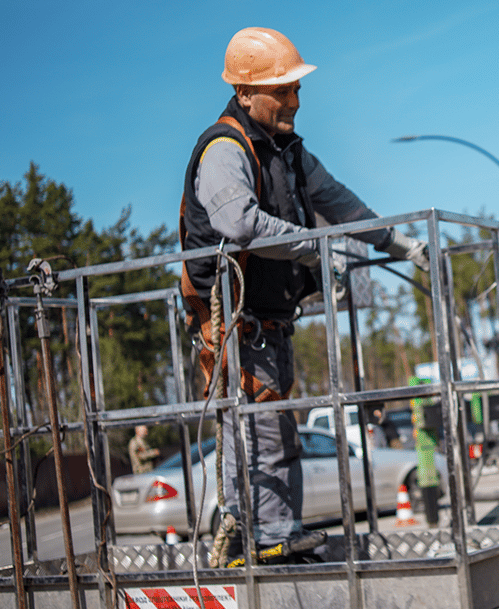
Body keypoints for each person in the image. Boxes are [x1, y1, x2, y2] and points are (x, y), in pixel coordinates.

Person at [179, 27, 429, 558]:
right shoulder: (226, 149)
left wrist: (397, 241)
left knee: (276, 434)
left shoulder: (287, 151)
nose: (294, 100)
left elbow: (338, 202)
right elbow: (239, 224)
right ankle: (264, 539)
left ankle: (272, 538)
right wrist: (315, 248)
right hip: (233, 324)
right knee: (260, 434)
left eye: (296, 89)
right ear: (245, 93)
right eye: (281, 90)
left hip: (270, 321)